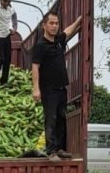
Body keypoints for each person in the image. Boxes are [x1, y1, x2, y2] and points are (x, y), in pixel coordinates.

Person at [31, 10, 82, 159]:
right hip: (49, 90)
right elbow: (35, 67)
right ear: (44, 25)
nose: (55, 26)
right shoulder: (40, 45)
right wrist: (36, 88)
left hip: (61, 88)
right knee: (51, 118)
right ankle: (51, 151)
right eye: (51, 23)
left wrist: (79, 20)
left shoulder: (59, 40)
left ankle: (60, 148)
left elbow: (68, 32)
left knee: (61, 118)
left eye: (57, 23)